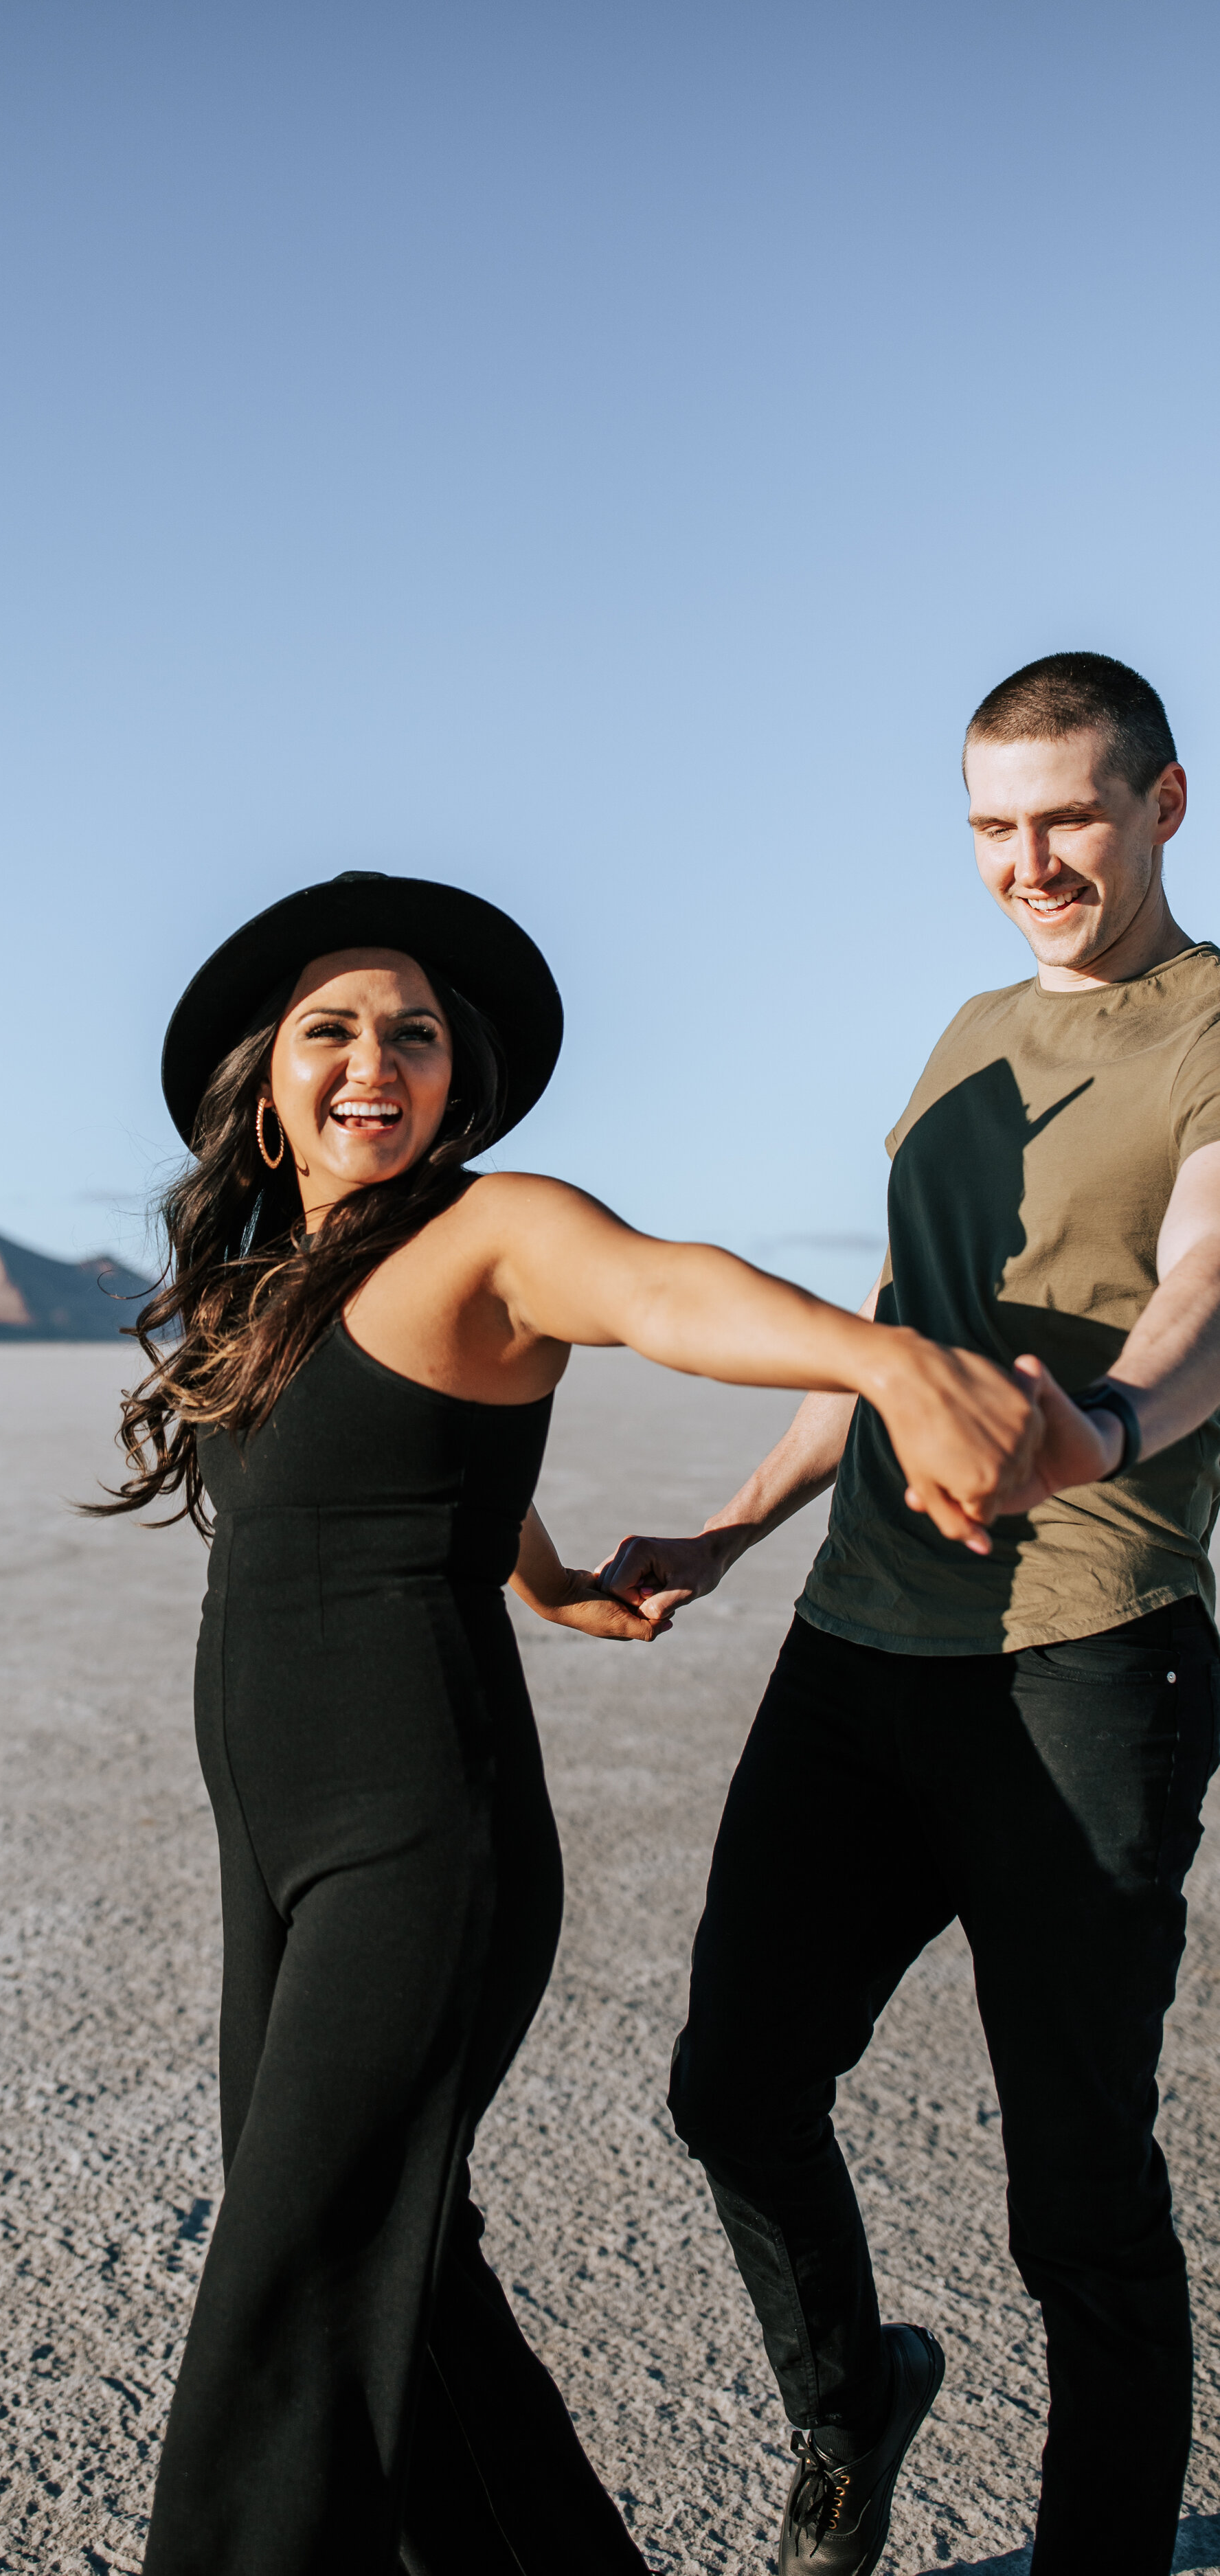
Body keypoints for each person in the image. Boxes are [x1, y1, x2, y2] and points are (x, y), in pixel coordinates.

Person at [96, 868, 1052, 2576]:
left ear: (459, 1079)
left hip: (418, 1840)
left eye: (414, 1033)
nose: (373, 1060)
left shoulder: (496, 1232)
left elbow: (661, 1290)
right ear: (264, 1088)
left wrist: (881, 1360)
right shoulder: (267, 1294)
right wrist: (536, 1576)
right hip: (275, 1849)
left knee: (296, 2281)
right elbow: (414, 1471)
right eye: (330, 1029)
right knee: (402, 2263)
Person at [602, 653, 1220, 2576]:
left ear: (1160, 805)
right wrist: (724, 1531)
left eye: (1067, 817)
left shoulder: (1210, 1021)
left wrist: (1101, 1421)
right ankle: (851, 2397)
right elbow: (885, 1335)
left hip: (1082, 1656)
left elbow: (1211, 1282)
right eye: (993, 826)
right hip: (861, 1648)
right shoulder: (962, 1031)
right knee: (735, 2083)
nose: (1029, 861)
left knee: (1077, 2194)